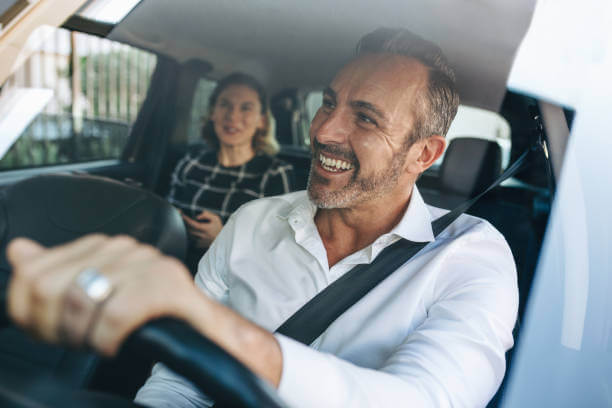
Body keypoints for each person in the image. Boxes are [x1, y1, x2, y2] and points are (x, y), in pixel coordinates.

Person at [6, 28, 518, 407]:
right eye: (329, 103)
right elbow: (175, 381)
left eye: (364, 117)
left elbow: (424, 400)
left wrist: (213, 327)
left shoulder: (469, 257)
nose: (324, 131)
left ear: (424, 154)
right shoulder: (252, 223)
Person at [168, 72, 294, 272]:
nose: (233, 116)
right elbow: (169, 213)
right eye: (225, 105)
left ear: (261, 120)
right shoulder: (191, 162)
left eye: (246, 108)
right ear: (212, 113)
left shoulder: (276, 174)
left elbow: (279, 252)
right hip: (174, 267)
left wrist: (223, 240)